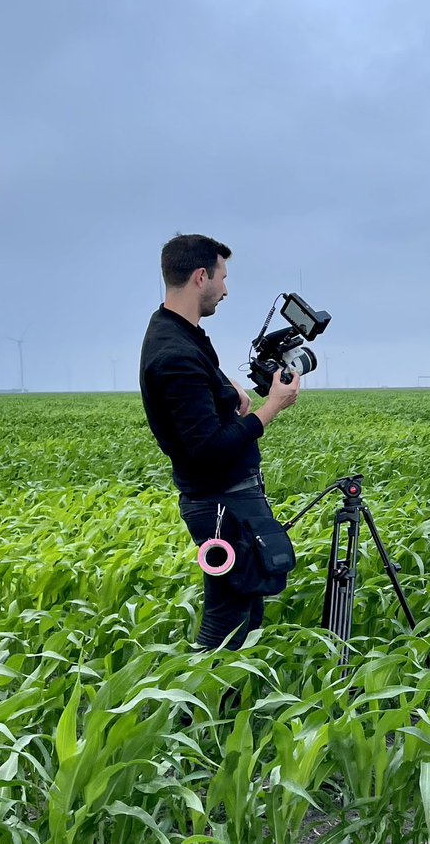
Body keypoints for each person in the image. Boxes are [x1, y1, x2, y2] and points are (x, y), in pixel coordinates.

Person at [140, 234, 299, 649]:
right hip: (220, 506)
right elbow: (207, 450)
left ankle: (232, 708)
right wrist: (272, 407)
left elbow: (200, 389)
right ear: (200, 277)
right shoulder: (174, 353)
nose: (225, 290)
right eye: (222, 278)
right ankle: (195, 711)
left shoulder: (177, 331)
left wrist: (229, 390)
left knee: (246, 610)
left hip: (227, 500)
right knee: (224, 622)